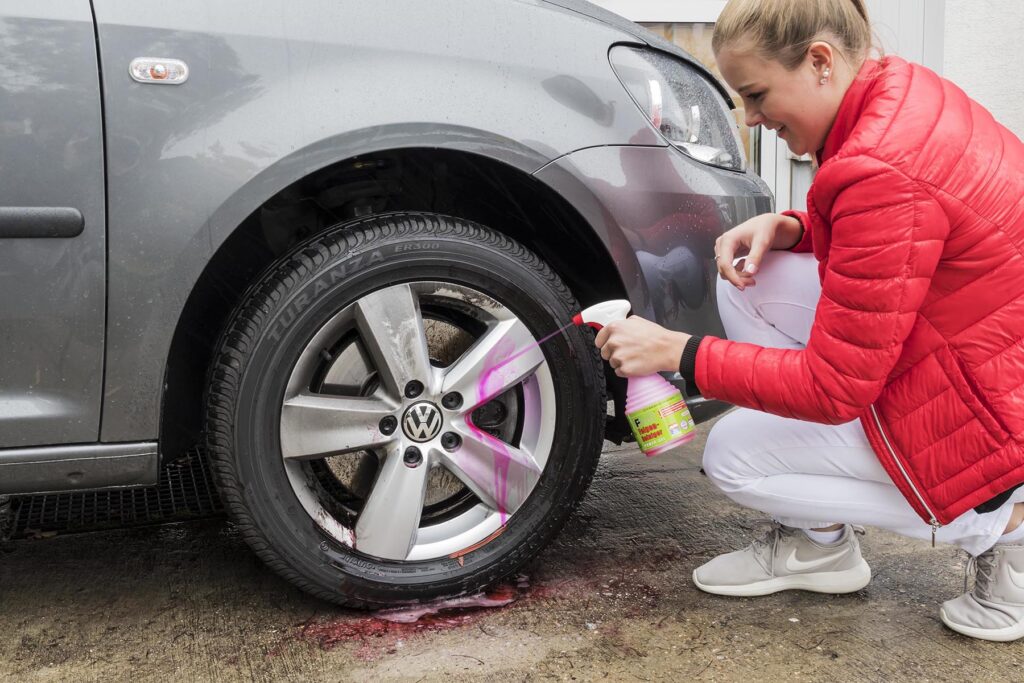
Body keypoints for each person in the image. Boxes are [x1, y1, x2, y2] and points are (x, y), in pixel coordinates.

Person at [594, 0, 1024, 642]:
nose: (752, 118)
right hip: (985, 356)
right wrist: (796, 227)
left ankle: (1003, 527)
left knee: (733, 457)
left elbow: (836, 388)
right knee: (754, 278)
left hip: (994, 417)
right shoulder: (896, 91)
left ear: (820, 61)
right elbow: (913, 240)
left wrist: (678, 353)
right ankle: (818, 543)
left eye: (757, 94)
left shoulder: (882, 169)